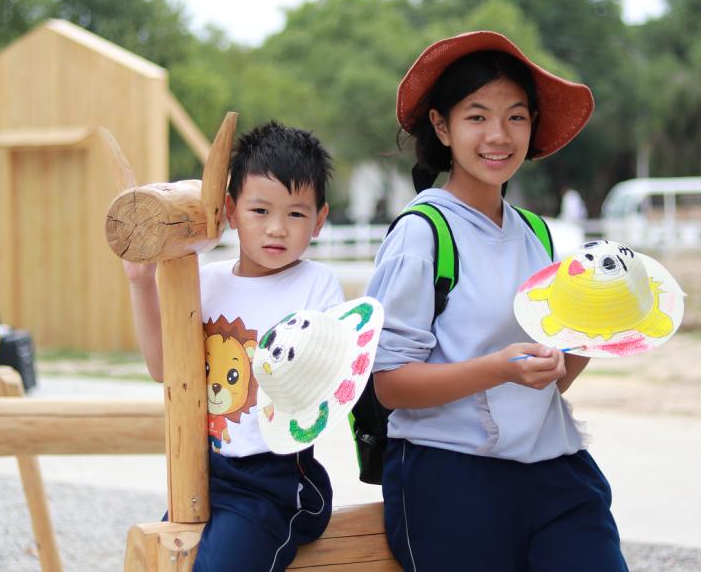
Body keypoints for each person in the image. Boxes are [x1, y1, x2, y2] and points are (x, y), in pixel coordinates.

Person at [366, 32, 629, 571]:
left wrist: (595, 333)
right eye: (477, 116)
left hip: (557, 473)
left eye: (515, 117)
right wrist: (497, 369)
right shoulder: (424, 233)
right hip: (451, 481)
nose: (498, 135)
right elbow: (389, 385)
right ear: (442, 126)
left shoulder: (540, 235)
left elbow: (553, 377)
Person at [124, 121, 345, 572]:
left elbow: (322, 385)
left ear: (320, 220)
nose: (277, 229)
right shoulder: (205, 281)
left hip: (275, 483)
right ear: (229, 210)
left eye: (296, 214)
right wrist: (140, 281)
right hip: (203, 471)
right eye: (260, 211)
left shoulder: (317, 286)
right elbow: (164, 367)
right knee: (165, 561)